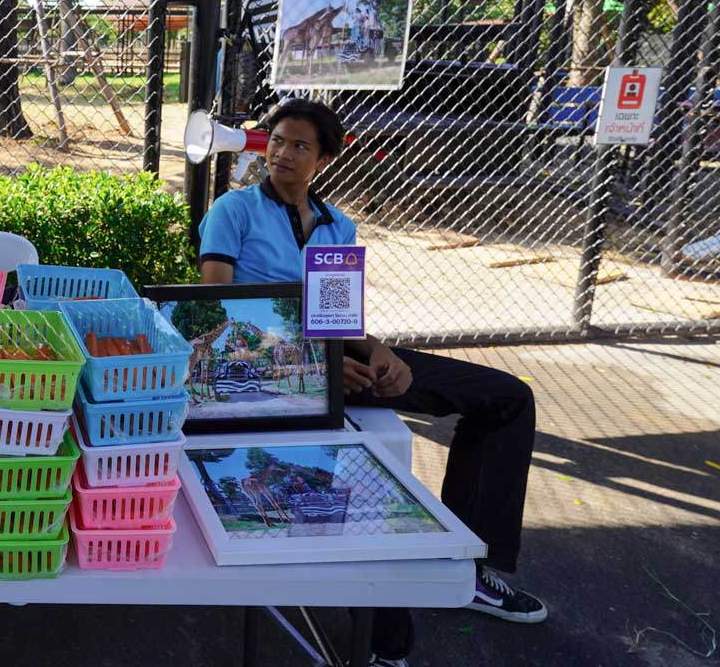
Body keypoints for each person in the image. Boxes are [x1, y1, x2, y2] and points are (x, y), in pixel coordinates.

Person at [197, 98, 546, 667]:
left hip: (337, 360)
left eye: (299, 146)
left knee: (508, 397)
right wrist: (315, 363)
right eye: (277, 141)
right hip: (265, 369)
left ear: (324, 159)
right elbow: (220, 307)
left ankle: (471, 570)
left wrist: (381, 354)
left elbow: (337, 316)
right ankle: (386, 642)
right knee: (364, 464)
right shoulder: (233, 211)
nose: (282, 153)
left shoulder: (339, 224)